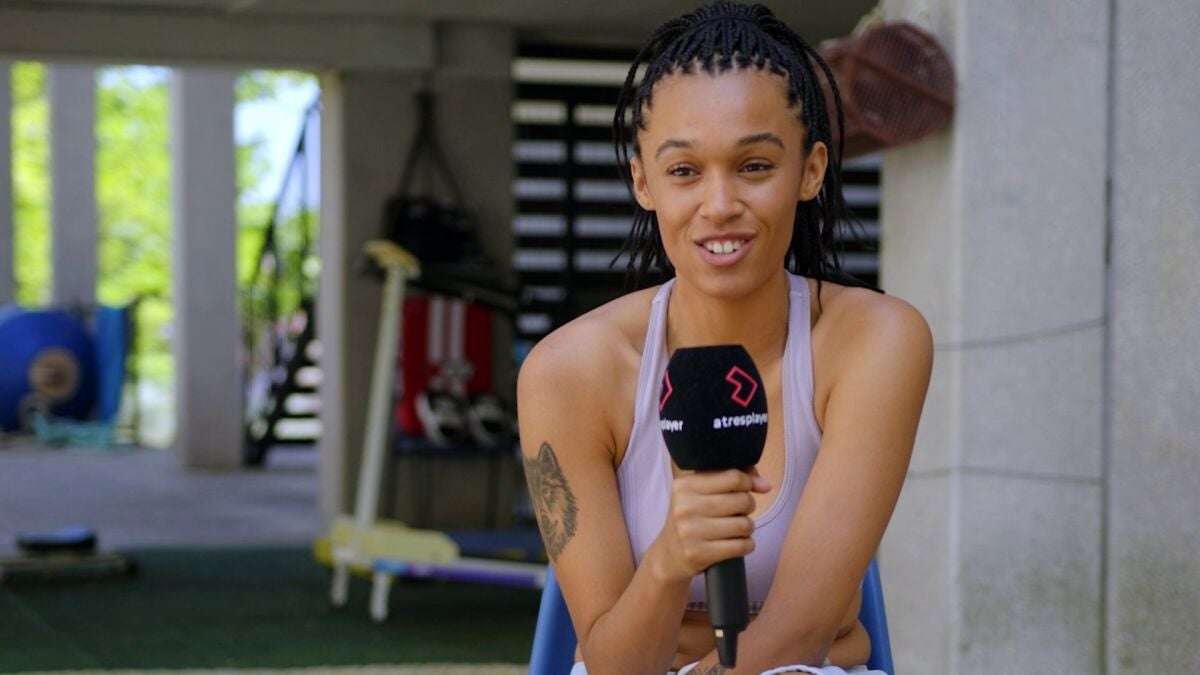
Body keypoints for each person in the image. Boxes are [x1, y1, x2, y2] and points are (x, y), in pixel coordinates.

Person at [517, 3, 933, 673]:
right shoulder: (568, 371)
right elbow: (610, 661)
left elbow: (801, 632)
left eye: (754, 166)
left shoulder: (874, 340)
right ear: (643, 181)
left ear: (811, 170)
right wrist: (670, 558)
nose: (719, 205)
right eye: (684, 171)